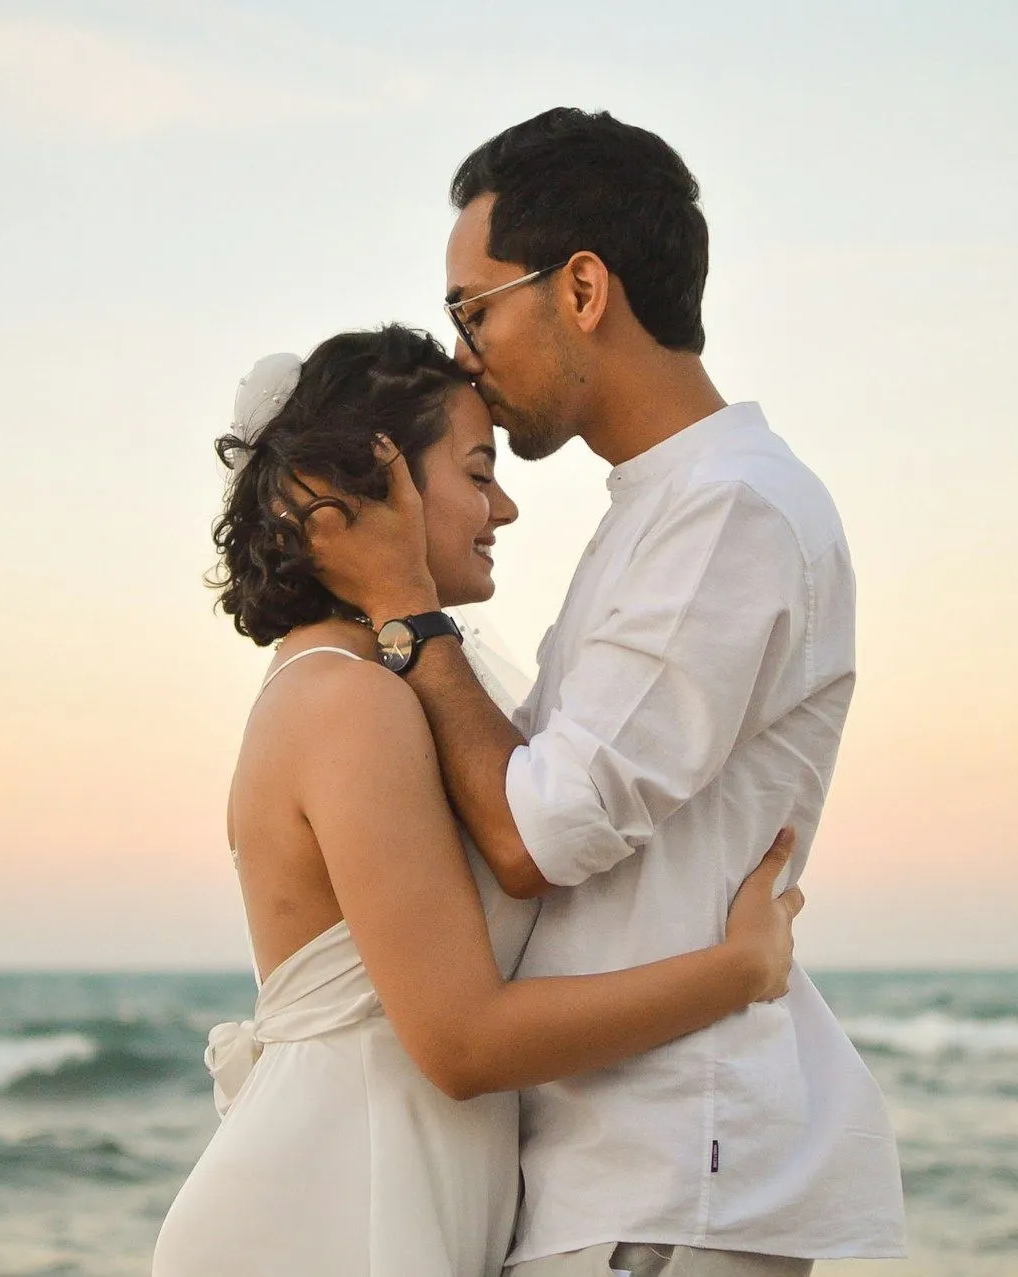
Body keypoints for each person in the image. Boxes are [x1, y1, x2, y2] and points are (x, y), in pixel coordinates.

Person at [302, 110, 908, 1276]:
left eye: (475, 310)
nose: (464, 355)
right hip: (624, 1180)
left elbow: (538, 832)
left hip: (667, 1176)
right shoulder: (670, 505)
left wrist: (407, 611)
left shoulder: (729, 509)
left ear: (581, 289)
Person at [152, 325, 809, 1277]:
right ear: (374, 487)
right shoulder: (348, 700)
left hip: (388, 1188)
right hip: (333, 1209)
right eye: (477, 471)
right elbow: (462, 1041)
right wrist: (738, 970)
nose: (503, 505)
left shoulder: (379, 682)